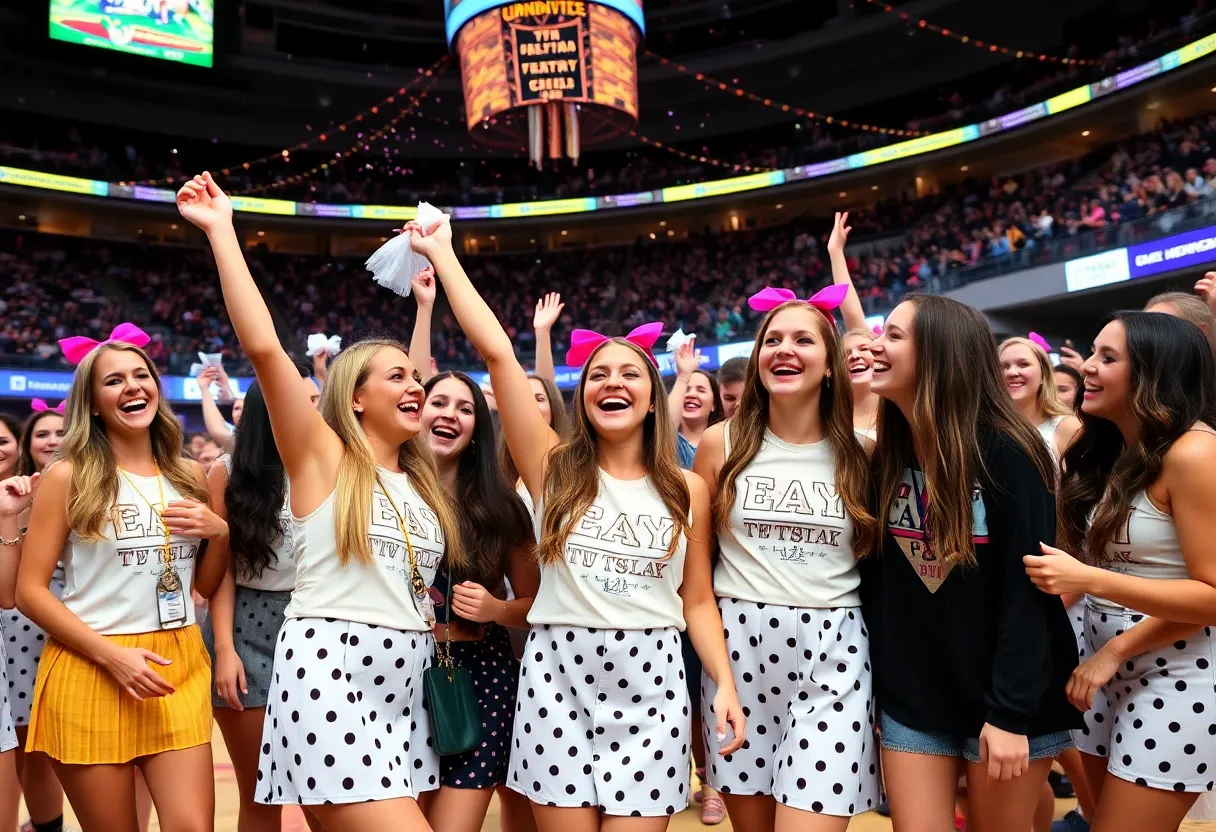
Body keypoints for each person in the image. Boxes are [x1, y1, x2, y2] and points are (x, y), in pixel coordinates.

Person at [410, 212, 747, 829]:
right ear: (582, 395)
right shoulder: (553, 468)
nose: (612, 383)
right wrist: (446, 256)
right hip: (556, 681)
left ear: (652, 397)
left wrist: (723, 684)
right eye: (598, 374)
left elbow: (698, 602)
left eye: (629, 375)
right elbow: (497, 356)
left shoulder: (690, 489)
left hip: (653, 687)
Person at [178, 171, 459, 831]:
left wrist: (424, 308)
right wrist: (222, 233)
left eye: (415, 377)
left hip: (406, 686)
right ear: (353, 397)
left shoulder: (421, 478)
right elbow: (265, 350)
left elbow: (415, 376)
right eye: (395, 378)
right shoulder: (322, 461)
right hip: (331, 680)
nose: (414, 385)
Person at [862, 294, 1082, 832]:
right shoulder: (889, 453)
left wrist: (1008, 715)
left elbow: (1027, 590)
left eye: (893, 335)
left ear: (939, 352)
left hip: (1004, 701)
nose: (874, 345)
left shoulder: (1009, 450)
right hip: (913, 700)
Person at [16, 323, 230, 832]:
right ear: (90, 403)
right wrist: (114, 657)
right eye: (113, 381)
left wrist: (219, 535)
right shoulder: (69, 476)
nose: (133, 386)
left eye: (142, 375)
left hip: (176, 662)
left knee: (192, 827)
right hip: (93, 664)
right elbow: (29, 591)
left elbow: (205, 583)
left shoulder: (189, 475)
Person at [693, 285, 880, 831]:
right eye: (772, 340)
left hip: (835, 653)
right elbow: (697, 575)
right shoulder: (719, 444)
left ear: (829, 366)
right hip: (737, 653)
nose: (784, 349)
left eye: (803, 339)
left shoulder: (862, 450)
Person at [1023, 311, 1216, 832]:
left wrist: (1094, 593)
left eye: (1107, 358)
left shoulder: (1196, 453)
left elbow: (1213, 597)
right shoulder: (1111, 448)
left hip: (1176, 677)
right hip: (1100, 674)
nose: (1087, 366)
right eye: (1093, 352)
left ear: (1154, 373)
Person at [203, 367, 325, 832]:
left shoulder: (336, 466)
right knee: (259, 793)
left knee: (325, 787)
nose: (313, 409)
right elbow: (225, 570)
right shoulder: (229, 473)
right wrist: (226, 649)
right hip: (248, 626)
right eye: (303, 399)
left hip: (317, 625)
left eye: (317, 400)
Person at [416, 371, 538, 832]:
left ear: (476, 430)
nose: (449, 414)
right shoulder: (381, 494)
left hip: (482, 678)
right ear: (416, 412)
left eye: (465, 409)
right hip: (395, 672)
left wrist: (496, 610)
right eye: (439, 403)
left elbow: (535, 603)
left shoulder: (501, 506)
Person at [2, 405, 67, 832]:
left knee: (33, 744)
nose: (52, 440)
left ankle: (47, 826)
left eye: (2, 441)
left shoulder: (33, 494)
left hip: (35, 625)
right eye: (42, 433)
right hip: (10, 621)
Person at [826, 212, 880, 439]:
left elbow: (852, 313)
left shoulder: (902, 403)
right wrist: (835, 252)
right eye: (846, 354)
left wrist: (836, 252)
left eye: (864, 349)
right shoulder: (828, 414)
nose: (854, 356)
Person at [999, 337, 1080, 460]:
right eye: (1003, 366)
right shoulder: (982, 429)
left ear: (1044, 374)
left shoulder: (1069, 428)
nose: (1011, 372)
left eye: (1023, 364)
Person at [669, 339, 725, 467]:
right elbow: (665, 427)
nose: (691, 395)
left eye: (701, 390)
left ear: (714, 405)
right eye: (686, 389)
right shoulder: (665, 441)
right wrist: (683, 376)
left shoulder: (726, 442)